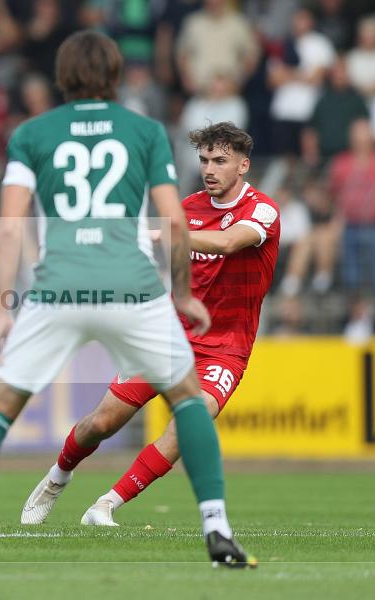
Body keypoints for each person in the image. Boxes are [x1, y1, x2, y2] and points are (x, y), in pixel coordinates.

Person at [0, 31, 254, 569]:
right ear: (115, 76)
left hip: (59, 287)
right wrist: (182, 294)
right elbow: (174, 222)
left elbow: (9, 230)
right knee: (189, 402)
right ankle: (217, 530)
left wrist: (2, 308)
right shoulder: (145, 131)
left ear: (61, 78)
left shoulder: (32, 133)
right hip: (131, 288)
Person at [19, 123, 278, 538]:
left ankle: (106, 504)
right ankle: (56, 477)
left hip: (224, 348)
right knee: (102, 423)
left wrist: (163, 234)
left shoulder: (263, 210)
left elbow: (230, 243)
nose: (210, 169)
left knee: (190, 424)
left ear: (243, 166)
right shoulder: (188, 206)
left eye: (221, 161)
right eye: (205, 160)